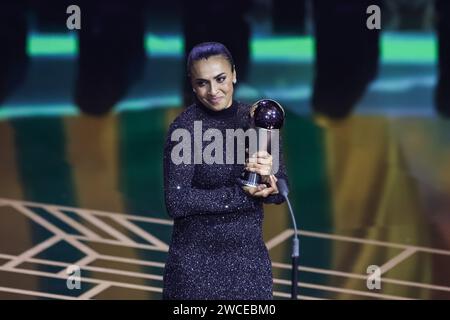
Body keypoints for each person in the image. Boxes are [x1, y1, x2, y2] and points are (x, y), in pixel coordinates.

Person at [162, 42, 289, 300]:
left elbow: (279, 186)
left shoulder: (259, 119)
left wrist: (272, 185)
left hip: (249, 266)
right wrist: (244, 194)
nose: (213, 91)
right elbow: (177, 201)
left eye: (220, 79)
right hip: (195, 270)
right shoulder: (183, 129)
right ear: (192, 84)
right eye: (202, 83)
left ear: (233, 73)